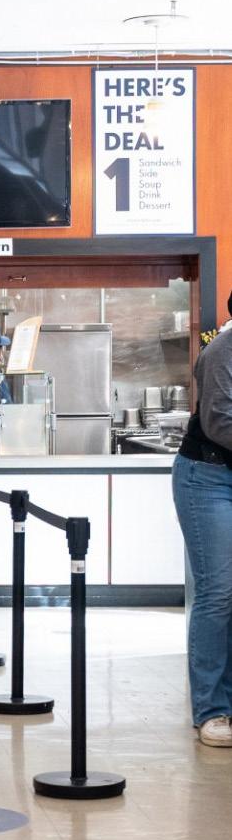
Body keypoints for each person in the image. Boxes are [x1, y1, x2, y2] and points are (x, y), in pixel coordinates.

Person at [172, 292, 232, 747]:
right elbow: (219, 422)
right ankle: (213, 710)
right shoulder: (223, 351)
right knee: (217, 592)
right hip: (207, 478)